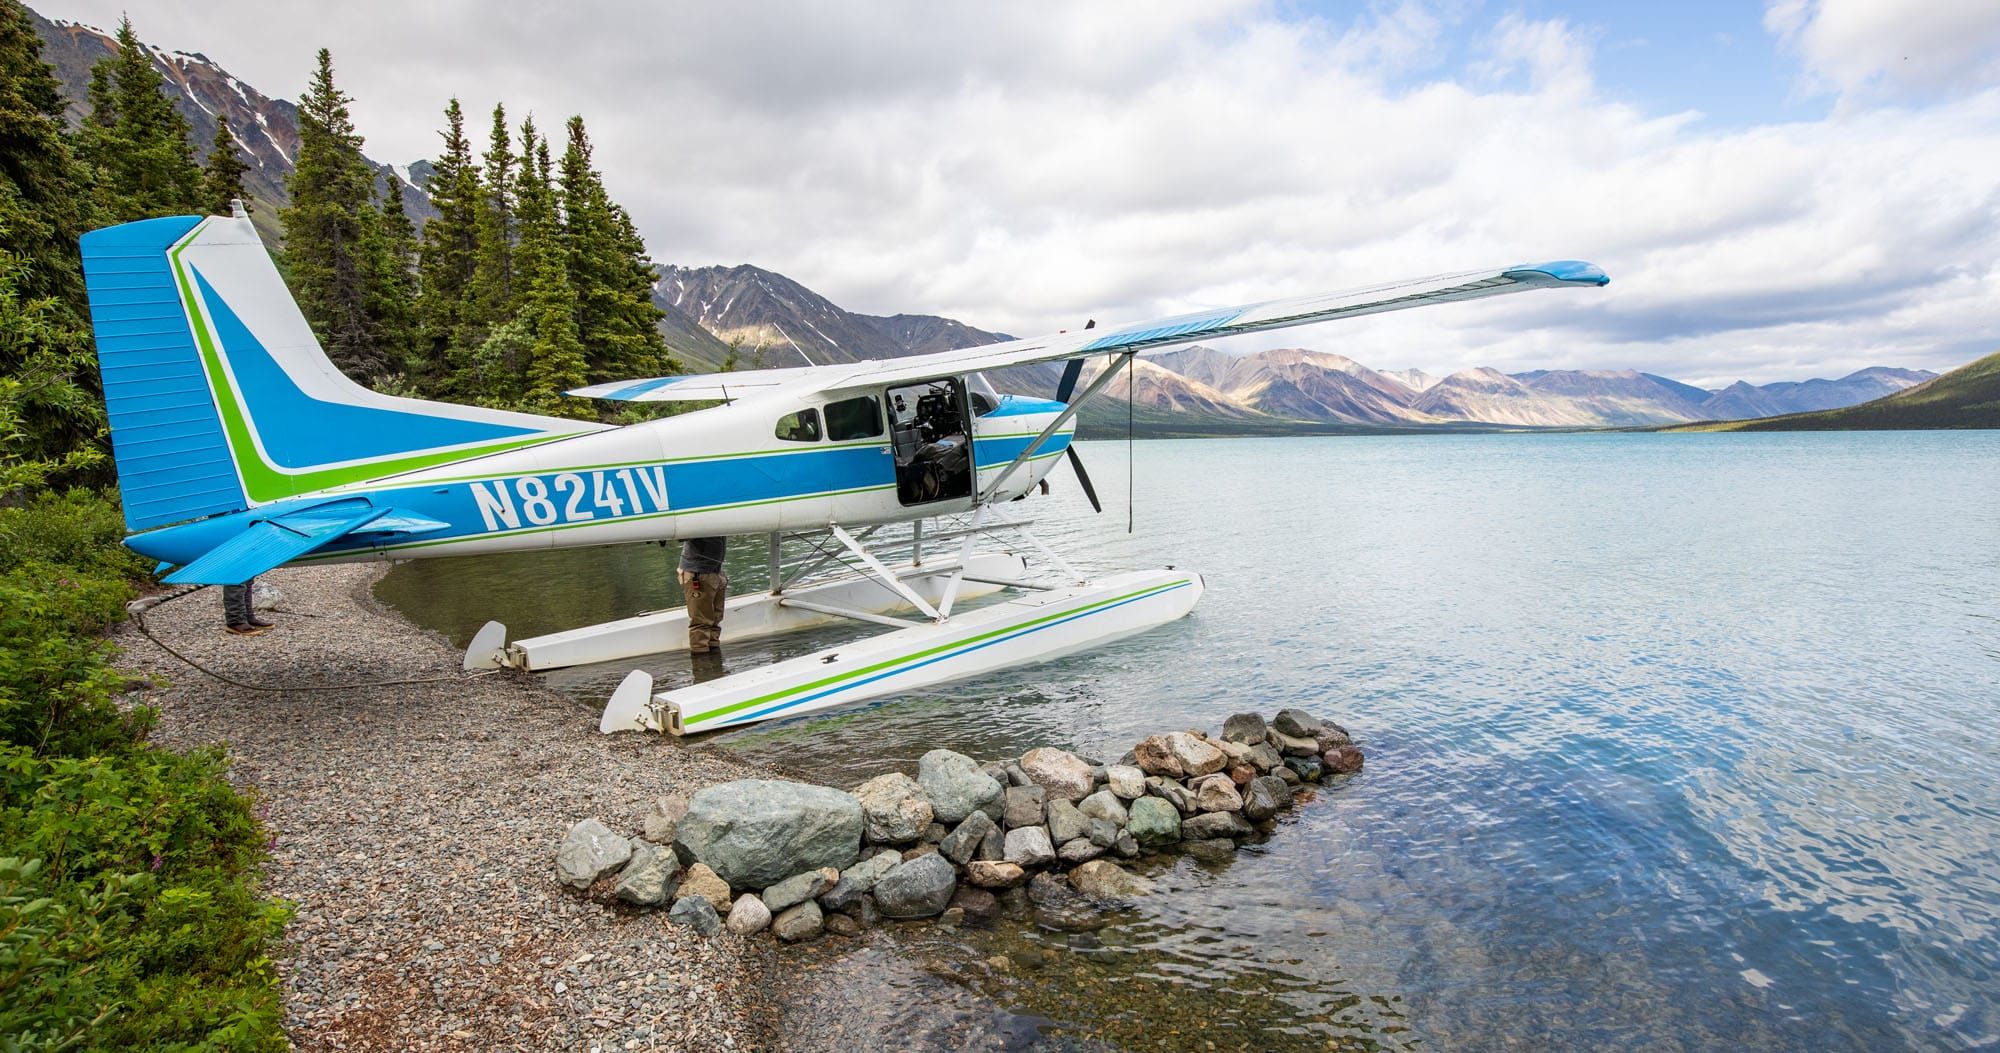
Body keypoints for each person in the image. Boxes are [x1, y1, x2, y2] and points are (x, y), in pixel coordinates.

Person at [678, 536, 728, 652]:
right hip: (698, 573)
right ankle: (701, 665)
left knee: (715, 620)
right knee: (701, 623)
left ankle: (716, 662)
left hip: (716, 571)